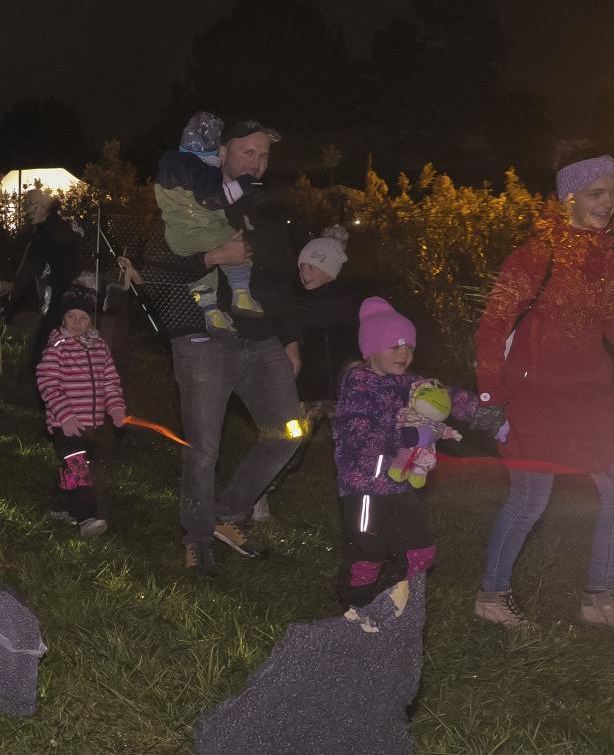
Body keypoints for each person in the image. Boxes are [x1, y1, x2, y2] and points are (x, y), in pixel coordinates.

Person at [472, 153, 614, 632]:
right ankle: (491, 596)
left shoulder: (613, 253)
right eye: (595, 193)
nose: (608, 203)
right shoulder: (534, 255)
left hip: (591, 396)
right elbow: (492, 327)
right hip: (536, 398)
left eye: (613, 193)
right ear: (569, 198)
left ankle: (599, 598)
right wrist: (491, 396)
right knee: (530, 499)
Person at [140, 119, 302, 576]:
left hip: (262, 341)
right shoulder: (185, 196)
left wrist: (290, 340)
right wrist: (214, 257)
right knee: (203, 448)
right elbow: (155, 270)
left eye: (264, 155)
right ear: (222, 153)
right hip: (202, 340)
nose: (257, 163)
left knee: (289, 433)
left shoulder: (261, 207)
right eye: (248, 152)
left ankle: (227, 515)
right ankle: (196, 538)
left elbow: (281, 279)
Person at [330, 298, 491, 607]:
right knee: (367, 554)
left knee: (421, 552)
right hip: (366, 489)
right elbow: (357, 431)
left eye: (409, 347)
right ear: (371, 350)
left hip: (400, 485)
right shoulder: (358, 387)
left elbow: (445, 397)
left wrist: (485, 413)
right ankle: (355, 608)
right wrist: (402, 433)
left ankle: (394, 602)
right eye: (394, 347)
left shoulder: (411, 383)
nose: (404, 354)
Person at [253, 225, 360, 522]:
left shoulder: (348, 303)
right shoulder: (295, 303)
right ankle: (258, 492)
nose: (304, 273)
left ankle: (360, 500)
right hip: (305, 392)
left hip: (343, 392)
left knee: (353, 448)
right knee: (290, 445)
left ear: (330, 269)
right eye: (301, 267)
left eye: (311, 267)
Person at [154, 111, 260, 334]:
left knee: (202, 277)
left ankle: (212, 313)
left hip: (176, 238)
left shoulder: (167, 168)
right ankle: (242, 295)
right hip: (202, 229)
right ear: (216, 151)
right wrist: (244, 184)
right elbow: (213, 198)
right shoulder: (202, 170)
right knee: (239, 247)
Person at [35, 280, 125, 538]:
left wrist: (116, 408)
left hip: (91, 425)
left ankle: (62, 507)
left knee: (75, 466)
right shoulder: (57, 348)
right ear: (63, 318)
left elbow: (111, 382)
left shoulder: (100, 348)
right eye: (71, 316)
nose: (76, 322)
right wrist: (65, 416)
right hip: (65, 424)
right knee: (79, 469)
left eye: (83, 317)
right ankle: (87, 517)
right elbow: (48, 384)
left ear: (91, 320)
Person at [6, 187, 83, 380]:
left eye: (30, 208)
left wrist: (10, 305)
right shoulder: (59, 226)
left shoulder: (45, 234)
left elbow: (29, 270)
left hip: (60, 296)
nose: (27, 213)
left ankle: (50, 386)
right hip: (74, 295)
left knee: (43, 349)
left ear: (41, 208)